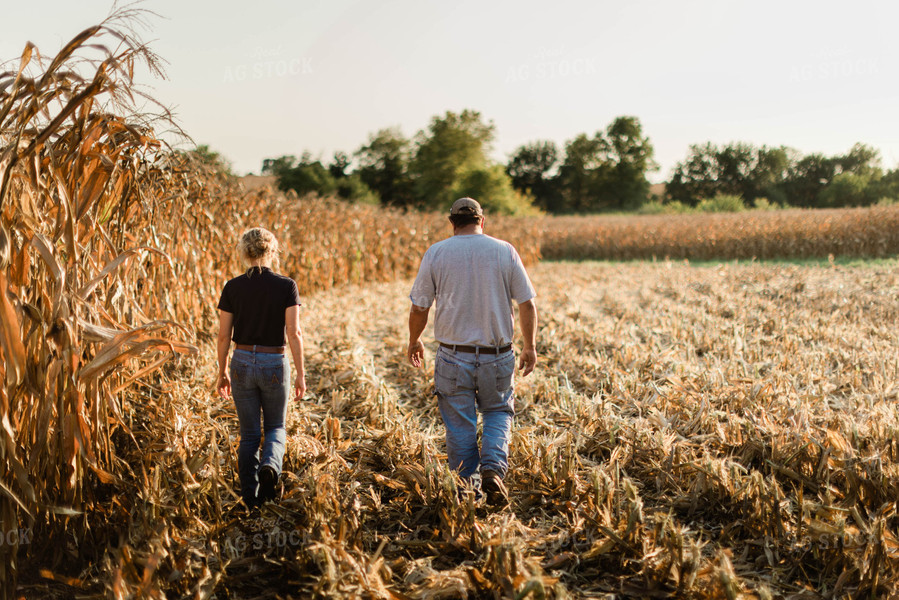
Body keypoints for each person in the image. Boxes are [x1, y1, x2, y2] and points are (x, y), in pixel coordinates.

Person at [407, 197, 538, 506]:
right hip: (498, 354)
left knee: (460, 423)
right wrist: (530, 345)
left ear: (452, 222)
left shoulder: (437, 252)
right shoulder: (504, 250)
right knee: (497, 411)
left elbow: (419, 306)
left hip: (453, 355)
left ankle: (468, 489)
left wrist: (414, 339)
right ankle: (493, 469)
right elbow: (527, 303)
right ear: (483, 221)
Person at [216, 227, 306, 509]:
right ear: (272, 251)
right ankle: (270, 466)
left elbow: (223, 335)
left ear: (244, 252)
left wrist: (221, 371)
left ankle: (249, 497)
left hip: (241, 361)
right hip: (274, 362)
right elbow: (294, 333)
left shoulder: (232, 287)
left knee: (250, 434)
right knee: (276, 426)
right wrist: (301, 373)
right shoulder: (286, 285)